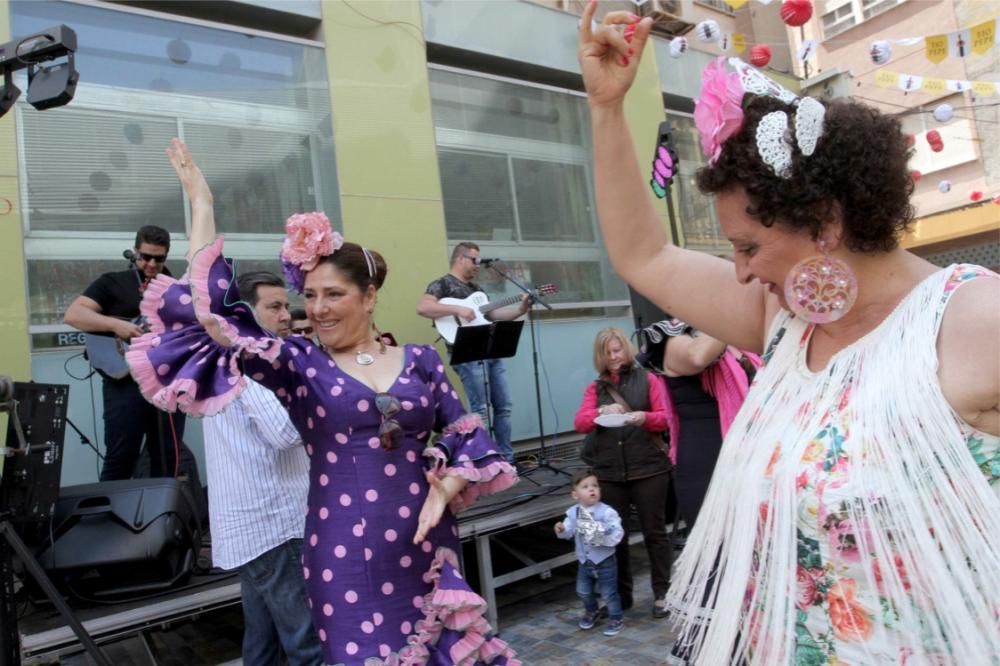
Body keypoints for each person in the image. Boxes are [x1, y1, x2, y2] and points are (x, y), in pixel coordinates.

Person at [578, 4, 1000, 664]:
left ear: (825, 222)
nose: (739, 272)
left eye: (747, 246)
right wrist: (606, 108)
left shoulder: (971, 322)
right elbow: (645, 257)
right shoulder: (786, 326)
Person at [125, 139, 522, 665]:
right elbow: (214, 319)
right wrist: (202, 205)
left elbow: (464, 431)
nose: (318, 308)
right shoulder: (298, 363)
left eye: (333, 294)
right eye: (309, 296)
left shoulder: (422, 362)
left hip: (427, 543)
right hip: (342, 550)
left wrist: (446, 482)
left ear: (370, 295)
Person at [201, 270, 323, 666]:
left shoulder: (227, 359)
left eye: (286, 305)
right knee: (306, 643)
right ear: (244, 315)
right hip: (275, 525)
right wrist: (330, 402)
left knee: (263, 642)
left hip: (254, 527)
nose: (286, 315)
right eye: (274, 307)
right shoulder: (253, 361)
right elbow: (286, 433)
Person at [64, 225, 191, 482]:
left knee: (168, 456)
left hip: (166, 384)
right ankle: (110, 519)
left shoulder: (177, 290)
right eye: (145, 257)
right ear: (134, 253)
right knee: (122, 455)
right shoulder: (112, 283)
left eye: (159, 258)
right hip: (124, 383)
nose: (152, 264)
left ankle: (161, 518)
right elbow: (74, 315)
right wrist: (116, 326)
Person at [574, 327, 673, 617]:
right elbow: (580, 423)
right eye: (607, 353)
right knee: (614, 537)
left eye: (617, 350)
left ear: (626, 350)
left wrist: (644, 418)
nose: (613, 356)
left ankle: (662, 594)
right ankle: (620, 597)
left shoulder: (648, 379)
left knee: (655, 534)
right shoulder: (596, 388)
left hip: (649, 468)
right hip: (609, 472)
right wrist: (600, 413)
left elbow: (666, 418)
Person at [416, 242, 529, 463]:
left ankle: (506, 458)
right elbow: (423, 308)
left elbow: (494, 315)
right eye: (474, 260)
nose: (478, 265)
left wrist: (520, 309)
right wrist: (457, 309)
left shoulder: (477, 291)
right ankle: (484, 459)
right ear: (460, 258)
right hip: (467, 354)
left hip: (490, 349)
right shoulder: (442, 285)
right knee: (480, 408)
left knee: (503, 406)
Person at [554, 468, 625, 636]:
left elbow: (617, 533)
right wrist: (561, 528)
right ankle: (592, 610)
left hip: (605, 560)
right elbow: (568, 531)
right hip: (584, 561)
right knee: (583, 590)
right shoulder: (573, 512)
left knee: (609, 593)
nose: (592, 489)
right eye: (585, 487)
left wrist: (600, 531)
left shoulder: (607, 512)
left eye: (595, 485)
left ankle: (616, 617)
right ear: (575, 495)